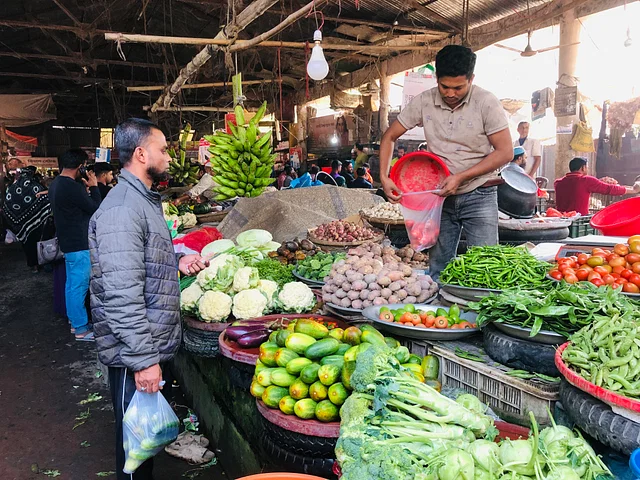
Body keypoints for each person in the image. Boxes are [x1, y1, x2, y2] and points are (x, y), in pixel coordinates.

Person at [89, 118, 208, 480]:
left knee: (143, 441)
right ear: (141, 154)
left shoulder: (141, 199)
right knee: (135, 448)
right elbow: (121, 295)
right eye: (163, 149)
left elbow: (135, 261)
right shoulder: (122, 209)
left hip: (146, 344)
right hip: (133, 353)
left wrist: (175, 260)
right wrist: (143, 361)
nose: (169, 157)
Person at [379, 45, 512, 281]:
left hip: (479, 195)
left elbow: (505, 152)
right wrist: (384, 175)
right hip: (439, 198)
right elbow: (389, 136)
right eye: (444, 87)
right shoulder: (424, 101)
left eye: (458, 87)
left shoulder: (486, 103)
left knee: (486, 267)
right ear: (436, 79)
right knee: (439, 268)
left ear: (471, 79)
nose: (450, 93)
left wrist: (461, 177)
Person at [49, 149, 102, 340]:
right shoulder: (70, 186)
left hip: (69, 241)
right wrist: (95, 187)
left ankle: (76, 322)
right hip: (78, 243)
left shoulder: (56, 184)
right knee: (78, 286)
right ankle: (81, 329)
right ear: (80, 166)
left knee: (72, 284)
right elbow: (95, 208)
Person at [2, 166, 52, 272]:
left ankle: (32, 264)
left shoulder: (12, 188)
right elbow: (45, 200)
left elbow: (7, 203)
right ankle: (38, 263)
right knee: (35, 241)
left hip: (21, 222)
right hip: (35, 222)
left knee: (26, 243)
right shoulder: (36, 187)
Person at [554, 157, 640, 215]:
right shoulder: (586, 180)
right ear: (583, 168)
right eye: (587, 167)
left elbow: (574, 189)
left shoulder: (558, 182)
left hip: (560, 219)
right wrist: (633, 190)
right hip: (579, 219)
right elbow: (609, 189)